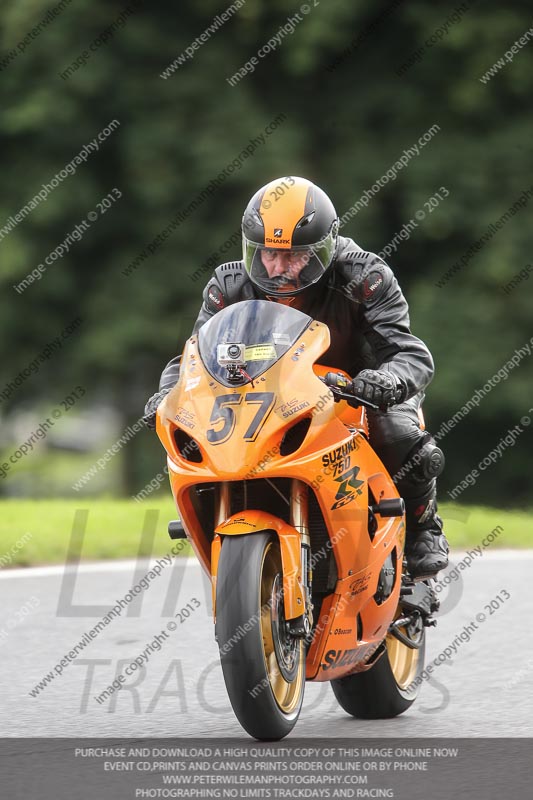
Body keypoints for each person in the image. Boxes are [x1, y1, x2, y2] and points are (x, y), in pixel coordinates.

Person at [144, 176, 448, 579]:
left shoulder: (365, 277)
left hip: (357, 391)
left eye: (295, 256)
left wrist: (384, 381)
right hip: (267, 397)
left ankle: (423, 528)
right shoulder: (229, 285)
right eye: (268, 254)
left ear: (325, 248)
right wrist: (169, 394)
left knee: (399, 433)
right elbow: (194, 357)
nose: (279, 268)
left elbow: (409, 353)